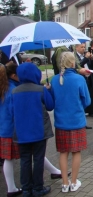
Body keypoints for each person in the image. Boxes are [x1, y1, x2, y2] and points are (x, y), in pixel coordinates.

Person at [12, 62, 54, 196]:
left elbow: (10, 111)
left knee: (24, 160)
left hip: (21, 132)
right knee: (38, 159)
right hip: (39, 131)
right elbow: (50, 105)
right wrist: (48, 90)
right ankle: (37, 188)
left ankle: (26, 189)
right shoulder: (40, 90)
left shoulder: (14, 91)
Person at [50, 52, 91, 192]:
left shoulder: (54, 80)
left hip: (61, 122)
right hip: (77, 121)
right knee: (76, 152)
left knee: (63, 152)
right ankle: (74, 182)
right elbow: (87, 101)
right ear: (73, 63)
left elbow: (51, 103)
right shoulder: (79, 79)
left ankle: (64, 183)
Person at [0, 63, 22, 197]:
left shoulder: (4, 89)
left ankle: (11, 187)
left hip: (3, 128)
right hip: (11, 128)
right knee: (31, 151)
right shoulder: (12, 90)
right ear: (13, 75)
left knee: (8, 159)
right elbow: (14, 111)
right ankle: (11, 188)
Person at [75, 43, 93, 127]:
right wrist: (86, 58)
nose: (83, 49)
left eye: (84, 47)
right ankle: (81, 122)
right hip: (80, 79)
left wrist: (91, 59)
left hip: (88, 78)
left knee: (87, 97)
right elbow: (79, 65)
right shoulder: (75, 56)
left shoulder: (85, 55)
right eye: (81, 47)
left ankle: (86, 116)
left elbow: (90, 66)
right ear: (76, 48)